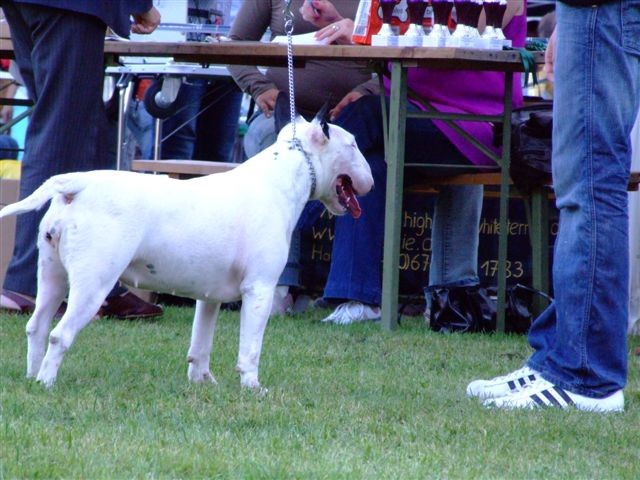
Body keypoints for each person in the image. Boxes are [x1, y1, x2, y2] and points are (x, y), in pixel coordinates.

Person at [467, 0, 639, 412]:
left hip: (603, 8)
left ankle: (587, 376)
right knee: (577, 185)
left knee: (591, 183)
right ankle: (557, 361)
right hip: (590, 10)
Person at [318, 1, 527, 324]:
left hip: (474, 124)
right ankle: (359, 299)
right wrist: (356, 28)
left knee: (362, 117)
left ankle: (311, 194)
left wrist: (369, 33)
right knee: (368, 158)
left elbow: (473, 25)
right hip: (410, 113)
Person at [0, 0, 165, 319]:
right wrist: (142, 4)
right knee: (60, 129)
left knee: (81, 129)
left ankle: (98, 283)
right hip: (71, 6)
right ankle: (28, 284)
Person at [227, 0, 377, 312]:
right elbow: (236, 44)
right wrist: (259, 87)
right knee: (265, 138)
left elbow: (401, 48)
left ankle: (345, 291)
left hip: (354, 114)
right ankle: (279, 284)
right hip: (285, 112)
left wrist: (369, 91)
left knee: (363, 144)